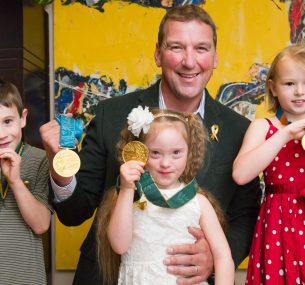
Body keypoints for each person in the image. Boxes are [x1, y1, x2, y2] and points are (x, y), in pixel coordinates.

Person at [40, 4, 261, 285]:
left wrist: (217, 256)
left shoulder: (239, 130)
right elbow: (74, 212)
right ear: (158, 54)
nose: (189, 61)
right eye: (177, 47)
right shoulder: (112, 115)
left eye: (201, 49)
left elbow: (247, 215)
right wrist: (59, 166)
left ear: (215, 57)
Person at [96, 106, 235, 285]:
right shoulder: (131, 197)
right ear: (140, 152)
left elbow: (223, 257)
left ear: (189, 152)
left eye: (176, 153)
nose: (166, 163)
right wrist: (126, 189)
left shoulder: (198, 202)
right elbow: (119, 245)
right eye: (155, 153)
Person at [232, 43, 305, 284]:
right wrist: (284, 134)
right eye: (289, 83)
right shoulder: (264, 127)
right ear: (273, 87)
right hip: (280, 223)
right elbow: (241, 174)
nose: (299, 92)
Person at [0, 79, 52, 285]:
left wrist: (15, 182)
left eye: (7, 122)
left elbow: (41, 225)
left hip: (26, 278)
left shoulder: (39, 160)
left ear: (23, 118)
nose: (2, 134)